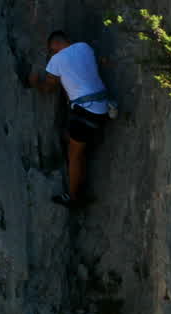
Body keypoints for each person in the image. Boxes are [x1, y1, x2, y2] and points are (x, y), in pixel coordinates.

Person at [28, 30, 111, 208]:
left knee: (74, 156)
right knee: (73, 141)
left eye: (51, 50)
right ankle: (81, 187)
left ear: (54, 46)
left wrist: (35, 82)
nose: (51, 53)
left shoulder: (56, 61)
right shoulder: (84, 47)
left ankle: (73, 198)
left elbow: (49, 88)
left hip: (86, 113)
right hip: (102, 108)